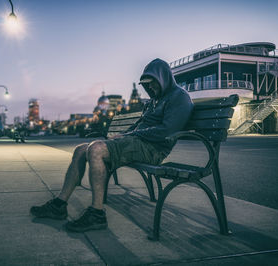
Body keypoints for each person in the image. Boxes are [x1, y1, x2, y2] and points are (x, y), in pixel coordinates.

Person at [30, 58, 193, 232]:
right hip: (137, 142)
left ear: (163, 78)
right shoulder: (154, 101)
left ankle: (97, 214)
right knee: (80, 150)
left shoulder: (179, 97)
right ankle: (59, 205)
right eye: (148, 86)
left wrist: (130, 134)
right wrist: (125, 134)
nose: (151, 88)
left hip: (153, 149)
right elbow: (138, 125)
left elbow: (166, 131)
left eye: (153, 84)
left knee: (96, 150)